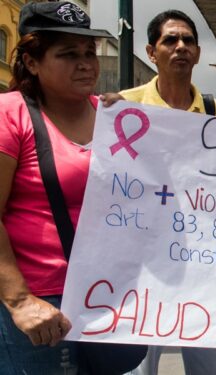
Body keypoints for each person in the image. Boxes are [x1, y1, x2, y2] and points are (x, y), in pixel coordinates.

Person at [0, 2, 111, 373]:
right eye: (67, 54)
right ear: (32, 62)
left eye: (88, 53)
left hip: (106, 297)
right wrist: (19, 301)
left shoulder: (116, 118)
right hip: (40, 304)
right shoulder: (9, 114)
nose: (85, 64)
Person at [116, 9, 216, 375]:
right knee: (138, 367)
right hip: (141, 268)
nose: (180, 47)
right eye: (170, 40)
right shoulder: (122, 107)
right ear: (152, 52)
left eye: (188, 41)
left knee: (211, 365)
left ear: (197, 53)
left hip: (202, 266)